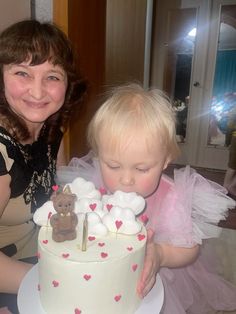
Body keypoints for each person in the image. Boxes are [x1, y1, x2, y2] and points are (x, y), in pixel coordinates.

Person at [59, 83, 236, 313]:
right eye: (112, 165)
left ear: (165, 160)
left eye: (141, 169)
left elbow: (190, 249)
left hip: (159, 272)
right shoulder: (96, 183)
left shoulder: (171, 199)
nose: (125, 179)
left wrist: (161, 254)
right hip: (107, 270)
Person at [0, 19, 87, 300]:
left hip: (40, 256)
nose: (37, 92)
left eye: (52, 76)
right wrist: (56, 282)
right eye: (22, 73)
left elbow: (58, 199)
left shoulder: (51, 133)